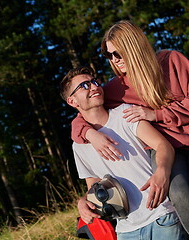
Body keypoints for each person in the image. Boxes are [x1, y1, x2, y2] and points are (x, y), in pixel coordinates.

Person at [70, 20, 189, 232]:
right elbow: (85, 111)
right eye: (109, 55)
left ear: (134, 46)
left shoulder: (171, 61)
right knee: (180, 192)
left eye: (118, 53)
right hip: (169, 150)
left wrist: (157, 114)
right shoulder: (118, 88)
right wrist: (89, 133)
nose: (114, 60)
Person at [60, 66, 187, 239]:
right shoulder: (79, 146)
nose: (94, 86)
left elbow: (163, 145)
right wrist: (82, 202)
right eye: (84, 85)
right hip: (126, 230)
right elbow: (94, 185)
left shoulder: (124, 114)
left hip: (162, 216)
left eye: (95, 81)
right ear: (72, 101)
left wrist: (162, 171)